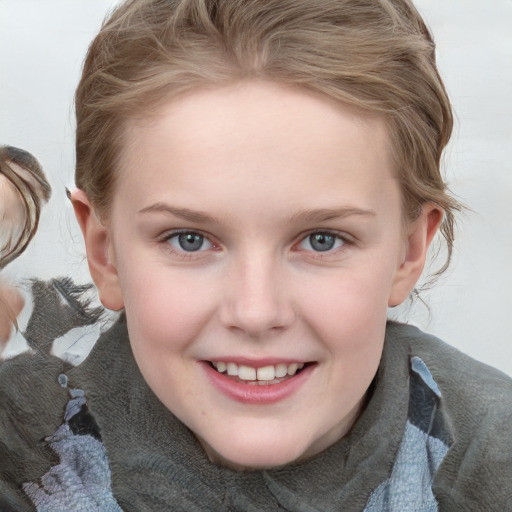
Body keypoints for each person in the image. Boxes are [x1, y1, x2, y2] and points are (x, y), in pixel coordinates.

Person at [1, 0, 511, 510]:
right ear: (105, 252)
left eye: (322, 239)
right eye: (189, 239)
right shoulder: (14, 446)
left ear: (409, 250)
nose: (255, 312)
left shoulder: (493, 457)